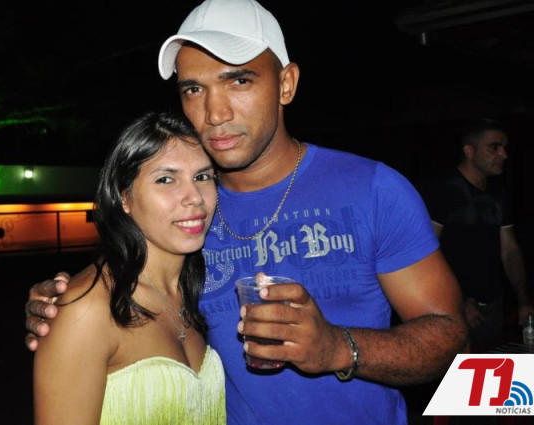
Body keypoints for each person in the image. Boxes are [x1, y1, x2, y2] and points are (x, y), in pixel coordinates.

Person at [25, 0, 468, 423]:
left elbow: (450, 333)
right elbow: (126, 292)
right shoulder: (187, 214)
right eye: (194, 89)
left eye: (239, 81)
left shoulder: (372, 188)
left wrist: (337, 348)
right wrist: (66, 309)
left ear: (286, 84)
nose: (215, 113)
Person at [32, 111, 225, 425]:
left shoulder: (201, 289)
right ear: (124, 197)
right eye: (166, 179)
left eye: (203, 177)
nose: (194, 198)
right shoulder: (87, 309)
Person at [419, 117, 533, 353]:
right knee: (457, 373)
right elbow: (425, 253)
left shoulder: (499, 195)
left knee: (491, 369)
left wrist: (523, 300)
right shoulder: (441, 191)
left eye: (504, 148)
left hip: (493, 306)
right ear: (470, 151)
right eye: (494, 147)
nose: (503, 155)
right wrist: (458, 299)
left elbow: (510, 251)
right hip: (450, 308)